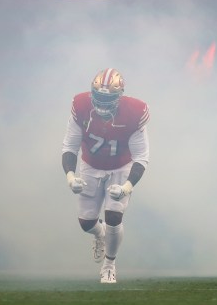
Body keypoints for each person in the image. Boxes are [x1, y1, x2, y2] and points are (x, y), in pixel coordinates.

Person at [61, 68, 149, 284]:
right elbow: (70, 146)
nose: (101, 101)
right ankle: (100, 234)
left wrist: (127, 186)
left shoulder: (134, 111)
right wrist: (70, 177)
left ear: (119, 96)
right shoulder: (81, 106)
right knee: (86, 223)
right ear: (91, 93)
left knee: (113, 215)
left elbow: (141, 157)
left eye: (107, 97)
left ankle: (109, 265)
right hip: (90, 166)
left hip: (120, 167)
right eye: (98, 96)